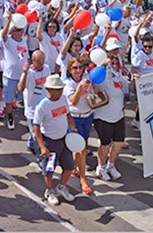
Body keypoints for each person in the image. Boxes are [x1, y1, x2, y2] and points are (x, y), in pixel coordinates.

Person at [33, 75, 77, 205]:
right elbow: (36, 127)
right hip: (49, 141)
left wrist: (73, 128)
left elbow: (68, 115)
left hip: (64, 139)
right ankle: (49, 190)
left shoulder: (63, 99)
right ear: (49, 89)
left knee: (69, 166)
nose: (61, 91)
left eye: (61, 88)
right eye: (58, 89)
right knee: (49, 169)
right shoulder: (42, 105)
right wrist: (42, 146)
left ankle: (61, 186)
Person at [94, 51, 130, 181]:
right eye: (111, 63)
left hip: (118, 115)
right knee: (105, 144)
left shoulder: (119, 77)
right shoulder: (103, 76)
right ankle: (101, 167)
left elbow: (128, 88)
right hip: (103, 117)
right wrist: (102, 66)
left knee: (119, 144)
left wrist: (137, 79)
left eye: (116, 63)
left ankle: (111, 165)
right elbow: (94, 78)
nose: (113, 65)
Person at [63, 58, 94, 195]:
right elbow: (74, 102)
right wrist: (80, 88)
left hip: (87, 116)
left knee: (79, 148)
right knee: (82, 149)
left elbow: (93, 95)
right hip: (75, 118)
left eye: (80, 67)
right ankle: (83, 180)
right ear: (70, 70)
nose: (78, 70)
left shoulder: (86, 78)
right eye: (75, 68)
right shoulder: (68, 84)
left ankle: (76, 168)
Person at [18, 50, 51, 158]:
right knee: (37, 134)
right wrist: (25, 73)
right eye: (39, 62)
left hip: (44, 106)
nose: (41, 65)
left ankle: (30, 144)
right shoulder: (28, 73)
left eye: (42, 62)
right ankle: (40, 156)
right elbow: (20, 88)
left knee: (38, 131)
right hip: (32, 109)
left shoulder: (46, 68)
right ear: (33, 61)